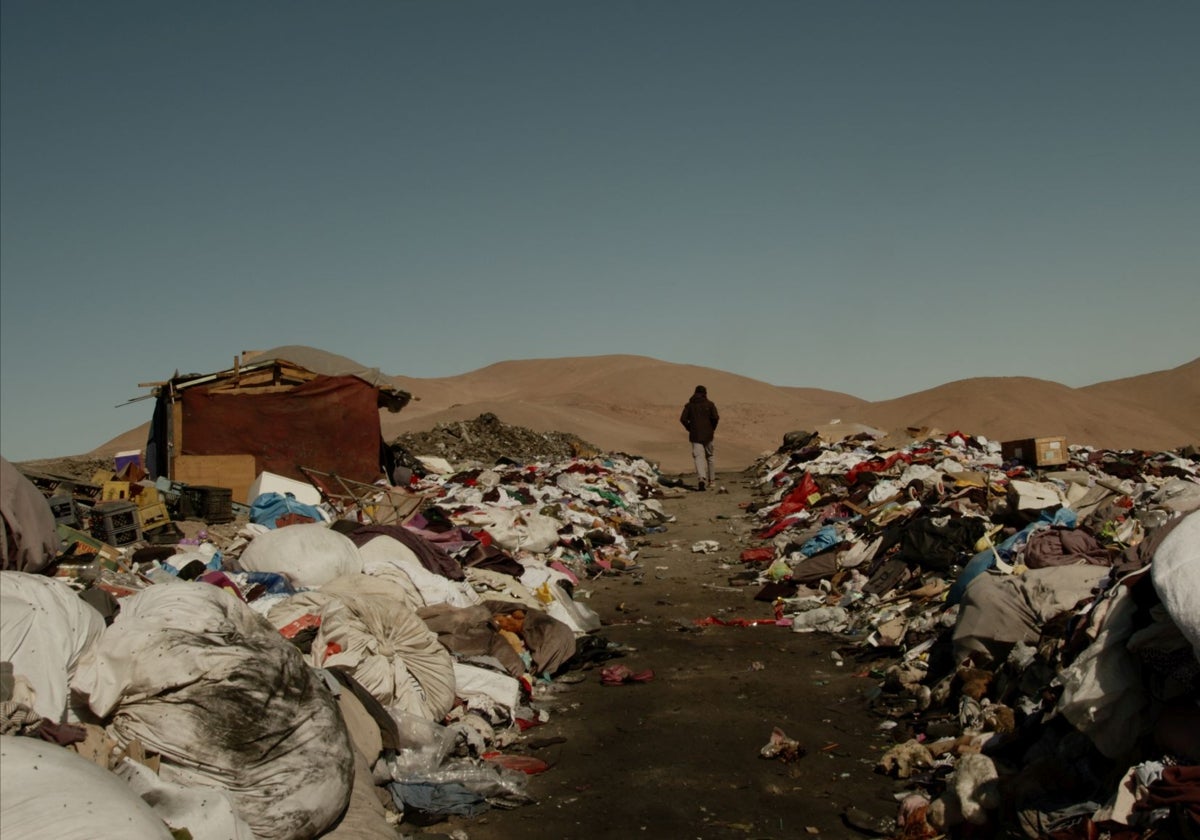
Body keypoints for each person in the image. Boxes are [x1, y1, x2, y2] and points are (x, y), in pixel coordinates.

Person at [679, 385, 719, 490]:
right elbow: (715, 417)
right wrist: (712, 428)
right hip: (708, 435)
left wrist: (690, 428)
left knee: (698, 457)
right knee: (710, 457)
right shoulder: (710, 404)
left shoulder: (689, 406)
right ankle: (712, 481)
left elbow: (683, 419)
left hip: (695, 435)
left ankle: (701, 478)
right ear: (705, 393)